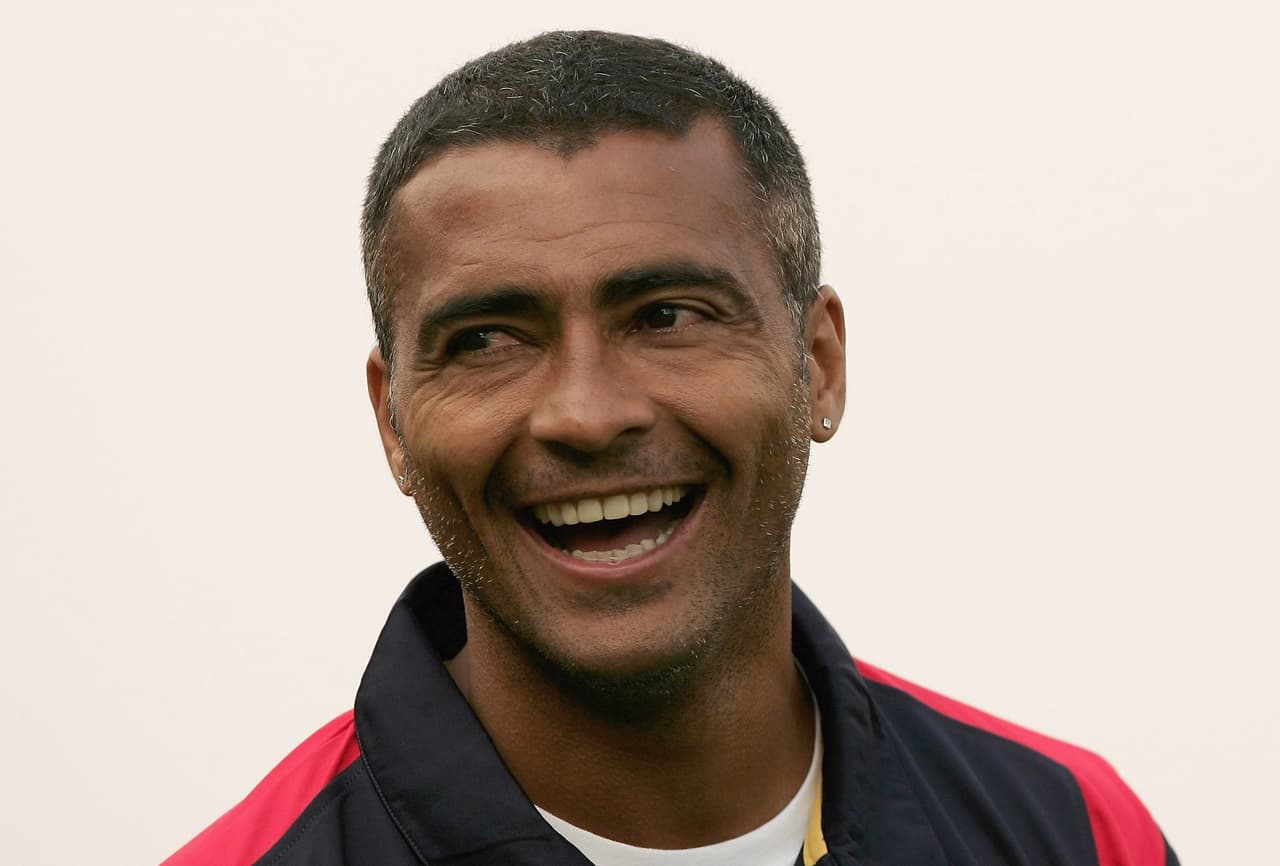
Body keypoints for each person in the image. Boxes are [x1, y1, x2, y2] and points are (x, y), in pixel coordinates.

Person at [163, 30, 1179, 866]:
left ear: (815, 362)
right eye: (484, 340)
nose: (584, 412)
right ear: (392, 419)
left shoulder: (1076, 832)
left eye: (668, 314)